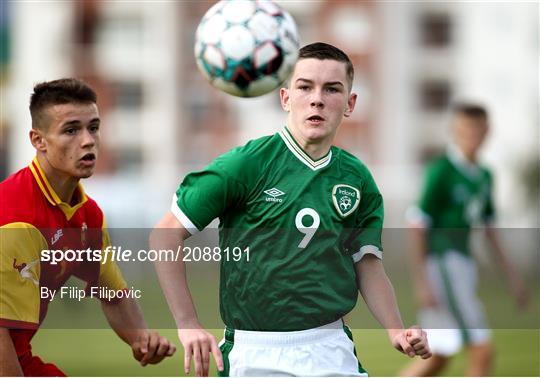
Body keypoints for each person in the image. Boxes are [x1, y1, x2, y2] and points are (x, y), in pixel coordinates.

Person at [152, 42, 431, 377]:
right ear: (285, 98)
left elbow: (368, 263)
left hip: (330, 350)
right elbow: (164, 236)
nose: (317, 99)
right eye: (305, 87)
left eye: (332, 89)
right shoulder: (246, 164)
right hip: (253, 353)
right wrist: (187, 323)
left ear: (350, 103)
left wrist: (396, 330)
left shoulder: (357, 180)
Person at [0, 78, 176, 376]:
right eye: (71, 130)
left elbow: (113, 292)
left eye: (93, 127)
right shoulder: (17, 219)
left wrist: (141, 338)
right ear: (38, 140)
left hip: (18, 355)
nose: (87, 140)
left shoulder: (87, 215)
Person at [401, 104, 529, 376]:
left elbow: (490, 231)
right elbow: (417, 226)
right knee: (482, 350)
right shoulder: (442, 171)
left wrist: (512, 277)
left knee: (437, 357)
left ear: (486, 132)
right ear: (454, 132)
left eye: (476, 130)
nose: (470, 136)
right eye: (464, 130)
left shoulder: (484, 176)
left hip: (463, 267)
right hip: (444, 266)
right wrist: (422, 283)